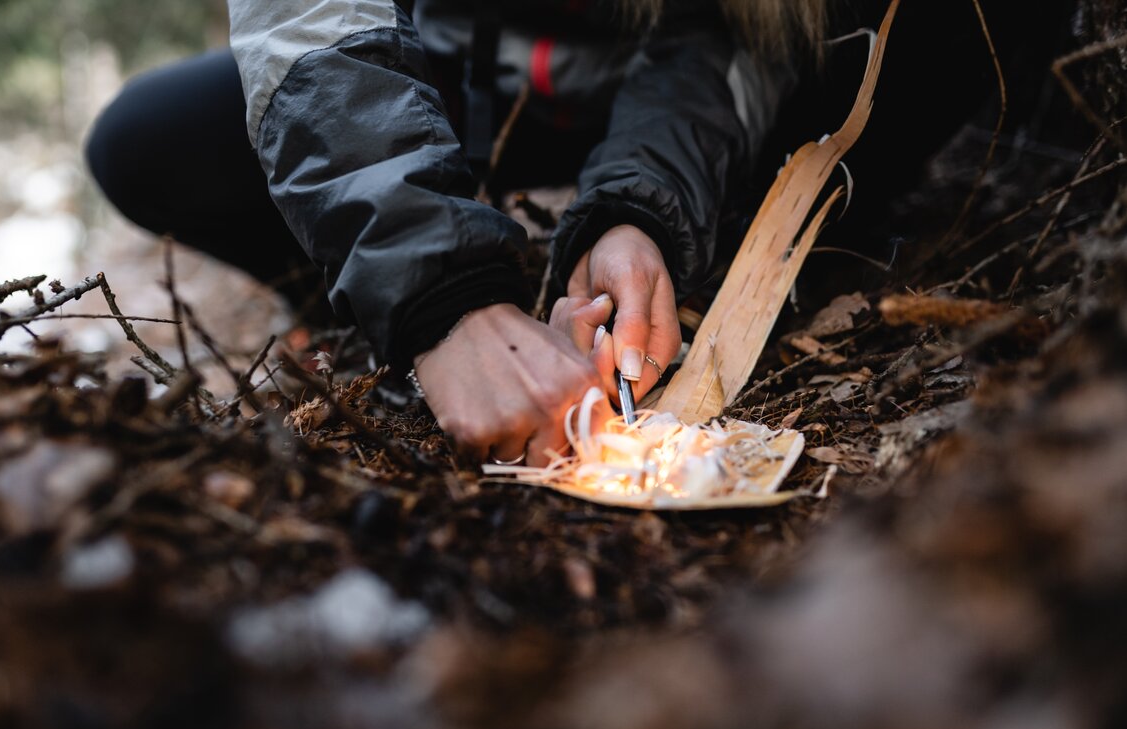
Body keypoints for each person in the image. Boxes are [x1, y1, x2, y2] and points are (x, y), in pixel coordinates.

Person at [85, 0, 1054, 466]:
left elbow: (745, 35)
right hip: (442, 73)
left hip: (653, 85)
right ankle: (343, 302)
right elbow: (308, 25)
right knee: (144, 140)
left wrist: (637, 207)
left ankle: (789, 259)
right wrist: (438, 293)